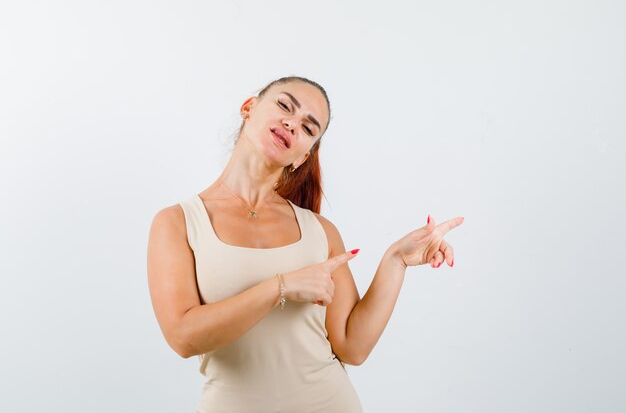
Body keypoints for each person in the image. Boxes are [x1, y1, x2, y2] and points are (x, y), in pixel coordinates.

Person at [146, 76, 464, 412]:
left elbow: (352, 347)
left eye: (308, 128)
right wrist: (281, 287)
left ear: (303, 156)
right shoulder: (177, 222)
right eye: (284, 106)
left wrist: (395, 261)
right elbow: (183, 337)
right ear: (248, 108)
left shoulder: (320, 231)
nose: (292, 124)